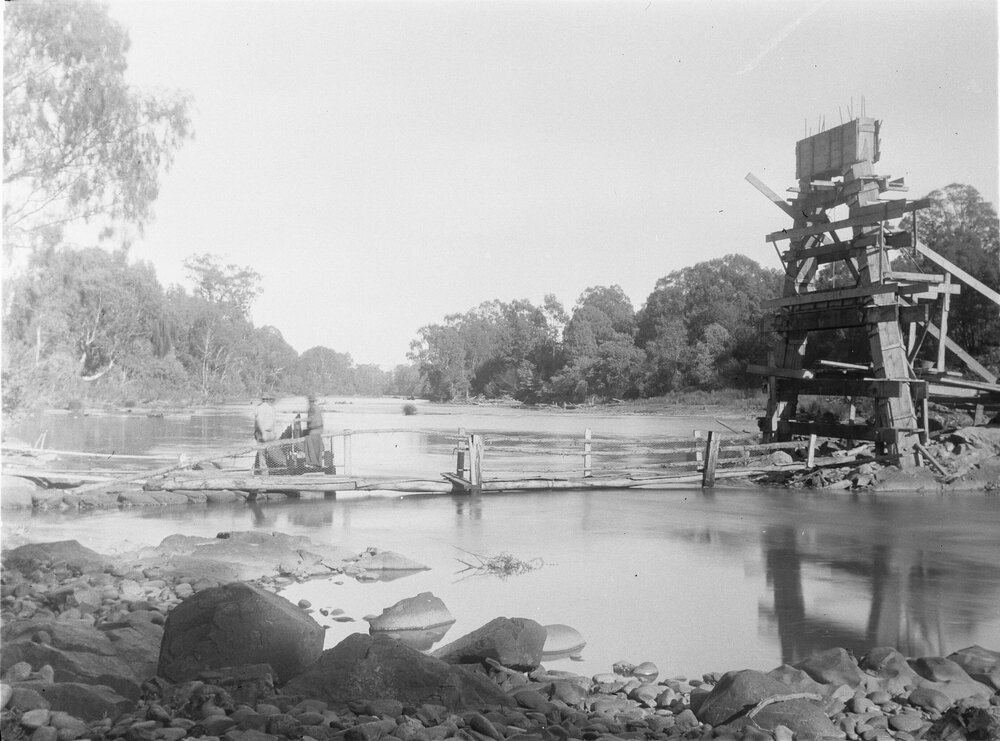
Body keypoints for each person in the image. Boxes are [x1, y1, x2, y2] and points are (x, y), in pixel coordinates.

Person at [253, 394, 283, 472]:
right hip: (270, 433)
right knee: (271, 450)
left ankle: (264, 470)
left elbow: (257, 422)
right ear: (268, 400)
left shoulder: (258, 408)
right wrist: (274, 433)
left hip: (262, 433)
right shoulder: (272, 408)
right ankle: (273, 467)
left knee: (261, 452)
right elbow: (273, 422)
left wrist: (258, 433)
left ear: (262, 400)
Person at [303, 394, 325, 469]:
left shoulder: (312, 408)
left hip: (314, 430)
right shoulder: (317, 407)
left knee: (312, 447)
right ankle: (317, 463)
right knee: (317, 448)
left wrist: (298, 420)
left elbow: (311, 419)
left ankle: (313, 463)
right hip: (319, 429)